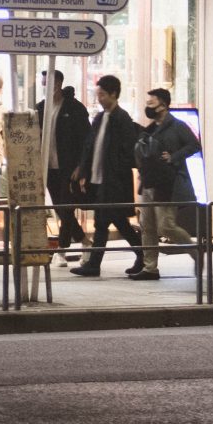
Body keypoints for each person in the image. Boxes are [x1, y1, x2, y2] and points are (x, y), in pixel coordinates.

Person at [73, 75, 143, 277]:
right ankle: (141, 255)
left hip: (113, 182)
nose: (100, 99)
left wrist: (113, 171)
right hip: (100, 181)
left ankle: (94, 265)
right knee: (118, 222)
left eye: (102, 95)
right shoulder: (100, 118)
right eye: (98, 95)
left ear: (113, 94)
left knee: (103, 223)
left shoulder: (122, 119)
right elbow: (90, 146)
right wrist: (83, 170)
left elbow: (127, 152)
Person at [131, 89, 200, 279]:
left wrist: (174, 157)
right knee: (147, 225)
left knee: (165, 227)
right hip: (149, 182)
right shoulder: (150, 128)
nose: (148, 106)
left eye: (152, 103)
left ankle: (195, 251)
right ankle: (150, 268)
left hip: (168, 183)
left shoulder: (177, 126)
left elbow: (194, 145)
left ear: (163, 104)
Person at [36, 73, 92, 259]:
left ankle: (62, 248)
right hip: (48, 167)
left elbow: (86, 140)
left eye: (48, 83)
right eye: (43, 84)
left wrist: (81, 167)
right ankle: (84, 242)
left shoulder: (74, 109)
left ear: (58, 83)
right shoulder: (41, 108)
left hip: (68, 167)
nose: (45, 87)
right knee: (61, 207)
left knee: (66, 206)